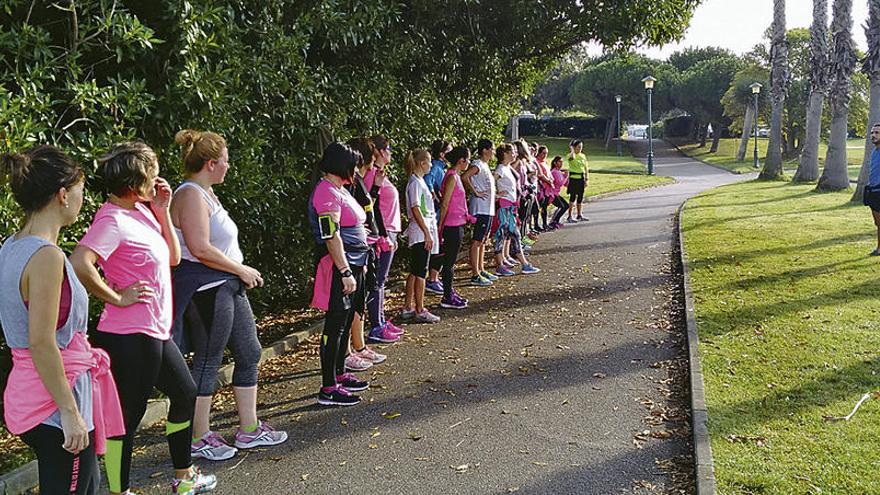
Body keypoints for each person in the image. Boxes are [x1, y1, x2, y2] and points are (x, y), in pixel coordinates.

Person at [71, 142, 216, 495]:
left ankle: (184, 478)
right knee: (128, 418)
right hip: (128, 335)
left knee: (185, 393)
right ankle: (120, 491)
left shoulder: (141, 210)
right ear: (136, 182)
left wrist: (162, 210)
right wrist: (117, 296)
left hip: (154, 330)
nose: (159, 178)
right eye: (152, 174)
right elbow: (79, 262)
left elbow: (173, 258)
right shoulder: (111, 219)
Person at [0, 146, 124, 495]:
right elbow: (41, 342)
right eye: (82, 189)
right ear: (62, 194)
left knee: (88, 485)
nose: (84, 198)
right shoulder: (46, 257)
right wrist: (69, 412)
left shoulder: (10, 247)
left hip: (37, 391)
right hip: (52, 400)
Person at [169, 130, 287, 462]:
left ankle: (249, 429)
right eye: (226, 161)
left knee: (250, 352)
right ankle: (198, 436)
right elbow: (200, 248)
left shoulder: (206, 193)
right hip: (206, 288)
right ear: (210, 163)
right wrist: (240, 269)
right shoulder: (190, 194)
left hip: (226, 285)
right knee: (208, 359)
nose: (229, 166)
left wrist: (236, 272)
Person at [308, 143, 371, 406]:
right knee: (334, 326)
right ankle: (328, 387)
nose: (356, 171)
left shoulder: (340, 190)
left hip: (356, 262)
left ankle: (340, 373)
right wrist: (344, 270)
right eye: (353, 166)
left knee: (345, 323)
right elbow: (330, 234)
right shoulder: (325, 192)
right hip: (339, 267)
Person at [344, 138, 398, 376]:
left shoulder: (363, 180)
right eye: (377, 151)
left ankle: (359, 345)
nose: (380, 155)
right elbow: (362, 212)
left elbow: (369, 209)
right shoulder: (352, 181)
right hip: (354, 249)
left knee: (361, 298)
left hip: (366, 244)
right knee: (353, 302)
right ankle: (348, 351)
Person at [362, 135, 404, 343]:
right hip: (383, 231)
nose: (390, 152)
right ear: (378, 151)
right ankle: (376, 325)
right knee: (377, 280)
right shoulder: (370, 174)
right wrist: (383, 235)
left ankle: (381, 319)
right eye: (387, 148)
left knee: (382, 279)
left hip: (390, 229)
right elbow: (372, 205)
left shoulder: (380, 174)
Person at [399, 149, 441, 323]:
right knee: (421, 272)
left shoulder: (418, 181)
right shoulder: (415, 183)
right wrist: (426, 232)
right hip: (420, 231)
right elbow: (416, 208)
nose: (431, 165)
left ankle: (408, 306)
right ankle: (419, 308)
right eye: (429, 161)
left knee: (416, 271)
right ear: (422, 163)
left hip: (422, 230)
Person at [431, 147, 472, 309]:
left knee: (449, 260)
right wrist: (440, 226)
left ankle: (449, 291)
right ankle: (447, 295)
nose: (468, 162)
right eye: (467, 159)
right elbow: (445, 203)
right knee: (449, 262)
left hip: (457, 223)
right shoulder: (452, 177)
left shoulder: (455, 176)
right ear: (461, 160)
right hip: (451, 225)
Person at [493, 144, 540, 277]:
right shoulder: (501, 168)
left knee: (513, 235)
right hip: (504, 207)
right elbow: (492, 180)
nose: (515, 154)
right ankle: (503, 265)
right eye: (512, 152)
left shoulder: (508, 168)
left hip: (511, 206)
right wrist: (495, 194)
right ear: (505, 153)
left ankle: (520, 264)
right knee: (504, 235)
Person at [462, 139, 498, 286]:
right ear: (485, 150)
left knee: (483, 240)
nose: (494, 152)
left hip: (488, 208)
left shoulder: (485, 165)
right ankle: (475, 273)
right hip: (481, 208)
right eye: (492, 149)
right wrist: (475, 192)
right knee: (477, 240)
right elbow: (465, 176)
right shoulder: (477, 164)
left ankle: (481, 269)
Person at [425, 140, 451, 295]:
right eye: (449, 151)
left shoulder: (441, 167)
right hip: (436, 213)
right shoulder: (435, 166)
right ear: (442, 154)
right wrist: (436, 197)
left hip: (440, 211)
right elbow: (428, 183)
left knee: (441, 244)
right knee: (438, 245)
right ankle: (432, 279)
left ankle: (435, 277)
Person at [865, 124, 880, 256]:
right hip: (873, 191)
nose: (874, 135)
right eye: (872, 133)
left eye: (877, 133)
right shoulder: (874, 151)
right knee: (877, 222)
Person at [566, 139, 589, 222]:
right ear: (574, 147)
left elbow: (586, 168)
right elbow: (572, 157)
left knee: (580, 197)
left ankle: (579, 214)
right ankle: (569, 216)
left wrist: (586, 178)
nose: (580, 149)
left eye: (581, 147)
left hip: (581, 178)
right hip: (573, 179)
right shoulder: (570, 155)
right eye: (578, 147)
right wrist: (572, 149)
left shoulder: (583, 156)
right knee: (572, 197)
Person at [535, 146, 554, 231]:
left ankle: (545, 223)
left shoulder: (544, 162)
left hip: (547, 188)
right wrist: (548, 181)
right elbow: (540, 175)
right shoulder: (537, 162)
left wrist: (551, 180)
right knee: (538, 207)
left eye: (546, 153)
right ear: (539, 153)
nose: (545, 155)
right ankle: (536, 224)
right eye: (543, 153)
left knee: (544, 207)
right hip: (541, 187)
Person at [548, 156, 570, 230]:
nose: (561, 163)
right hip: (552, 193)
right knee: (562, 206)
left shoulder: (559, 172)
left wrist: (567, 178)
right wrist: (566, 176)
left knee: (566, 205)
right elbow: (559, 182)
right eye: (559, 162)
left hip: (557, 193)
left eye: (562, 162)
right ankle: (553, 221)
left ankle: (556, 221)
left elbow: (565, 184)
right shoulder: (554, 172)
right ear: (555, 163)